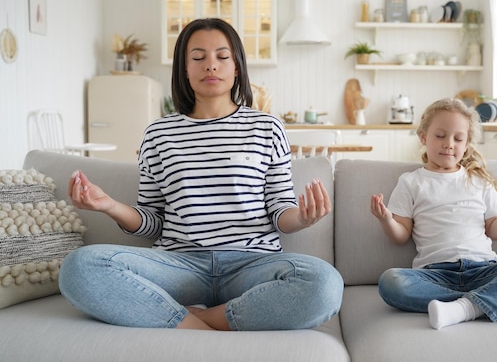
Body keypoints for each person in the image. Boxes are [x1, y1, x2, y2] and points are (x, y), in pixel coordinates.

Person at [59, 18, 343, 331]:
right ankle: (203, 321)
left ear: (237, 68)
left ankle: (195, 320)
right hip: (179, 265)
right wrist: (107, 205)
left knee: (325, 284)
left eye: (222, 57)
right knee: (80, 267)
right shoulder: (158, 134)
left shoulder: (266, 127)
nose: (211, 66)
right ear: (184, 69)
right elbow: (152, 221)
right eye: (198, 58)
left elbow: (280, 211)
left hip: (250, 264)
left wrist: (303, 217)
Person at [370, 98, 497, 330]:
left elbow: (496, 231)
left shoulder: (479, 181)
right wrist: (385, 218)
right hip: (437, 275)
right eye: (440, 136)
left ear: (467, 143)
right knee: (391, 282)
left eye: (458, 138)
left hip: (485, 270)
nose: (449, 144)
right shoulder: (411, 182)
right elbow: (400, 235)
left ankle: (465, 308)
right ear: (423, 137)